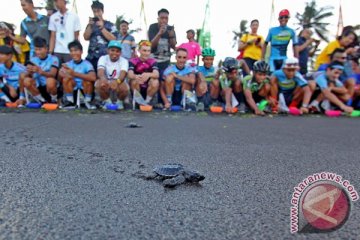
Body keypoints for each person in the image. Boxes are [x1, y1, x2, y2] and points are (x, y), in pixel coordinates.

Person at [148, 8, 177, 106]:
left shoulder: (170, 28)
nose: (164, 20)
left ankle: (163, 102)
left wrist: (172, 36)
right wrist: (159, 33)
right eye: (162, 18)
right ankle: (151, 100)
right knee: (154, 80)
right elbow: (151, 45)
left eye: (166, 18)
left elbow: (173, 47)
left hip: (166, 60)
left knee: (164, 80)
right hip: (153, 61)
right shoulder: (152, 27)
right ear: (158, 18)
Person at [21, 37, 59, 104]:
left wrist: (40, 71)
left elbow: (53, 74)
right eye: (36, 49)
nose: (38, 52)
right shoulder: (33, 60)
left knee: (50, 81)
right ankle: (41, 101)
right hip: (38, 85)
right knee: (26, 80)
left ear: (46, 49)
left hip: (50, 86)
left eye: (40, 49)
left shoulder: (53, 58)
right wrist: (29, 72)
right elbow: (27, 74)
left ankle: (54, 100)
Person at [59, 40, 96, 109]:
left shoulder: (87, 64)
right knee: (66, 79)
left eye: (76, 50)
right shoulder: (68, 64)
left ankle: (87, 102)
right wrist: (63, 73)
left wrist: (74, 74)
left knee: (87, 80)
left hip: (84, 89)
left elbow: (93, 77)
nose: (73, 53)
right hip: (73, 89)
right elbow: (60, 74)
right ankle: (69, 101)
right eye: (71, 51)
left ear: (81, 52)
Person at [84, 0, 118, 70]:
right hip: (91, 57)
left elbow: (114, 40)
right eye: (94, 11)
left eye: (98, 11)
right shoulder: (90, 25)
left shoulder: (110, 25)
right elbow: (86, 37)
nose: (96, 14)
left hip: (105, 58)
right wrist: (90, 26)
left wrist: (102, 28)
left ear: (102, 11)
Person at [95, 40, 129, 110]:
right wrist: (103, 79)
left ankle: (119, 102)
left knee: (124, 87)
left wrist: (117, 82)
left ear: (121, 53)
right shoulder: (103, 58)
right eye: (112, 50)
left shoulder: (124, 61)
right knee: (99, 83)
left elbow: (123, 73)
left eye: (117, 51)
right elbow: (100, 71)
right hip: (107, 80)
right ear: (108, 51)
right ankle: (107, 101)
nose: (115, 53)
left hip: (119, 81)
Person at [49, 0, 81, 64]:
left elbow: (76, 36)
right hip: (57, 50)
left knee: (69, 71)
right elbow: (52, 36)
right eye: (55, 2)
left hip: (70, 51)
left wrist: (76, 51)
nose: (56, 3)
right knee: (56, 71)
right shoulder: (53, 17)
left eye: (57, 1)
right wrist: (50, 52)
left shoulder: (74, 16)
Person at [128, 40, 159, 106]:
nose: (146, 53)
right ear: (139, 50)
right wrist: (136, 76)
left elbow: (156, 74)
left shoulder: (153, 61)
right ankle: (139, 102)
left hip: (148, 87)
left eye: (148, 51)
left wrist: (148, 74)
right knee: (134, 80)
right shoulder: (133, 61)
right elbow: (130, 74)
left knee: (155, 81)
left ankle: (147, 101)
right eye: (144, 50)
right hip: (137, 86)